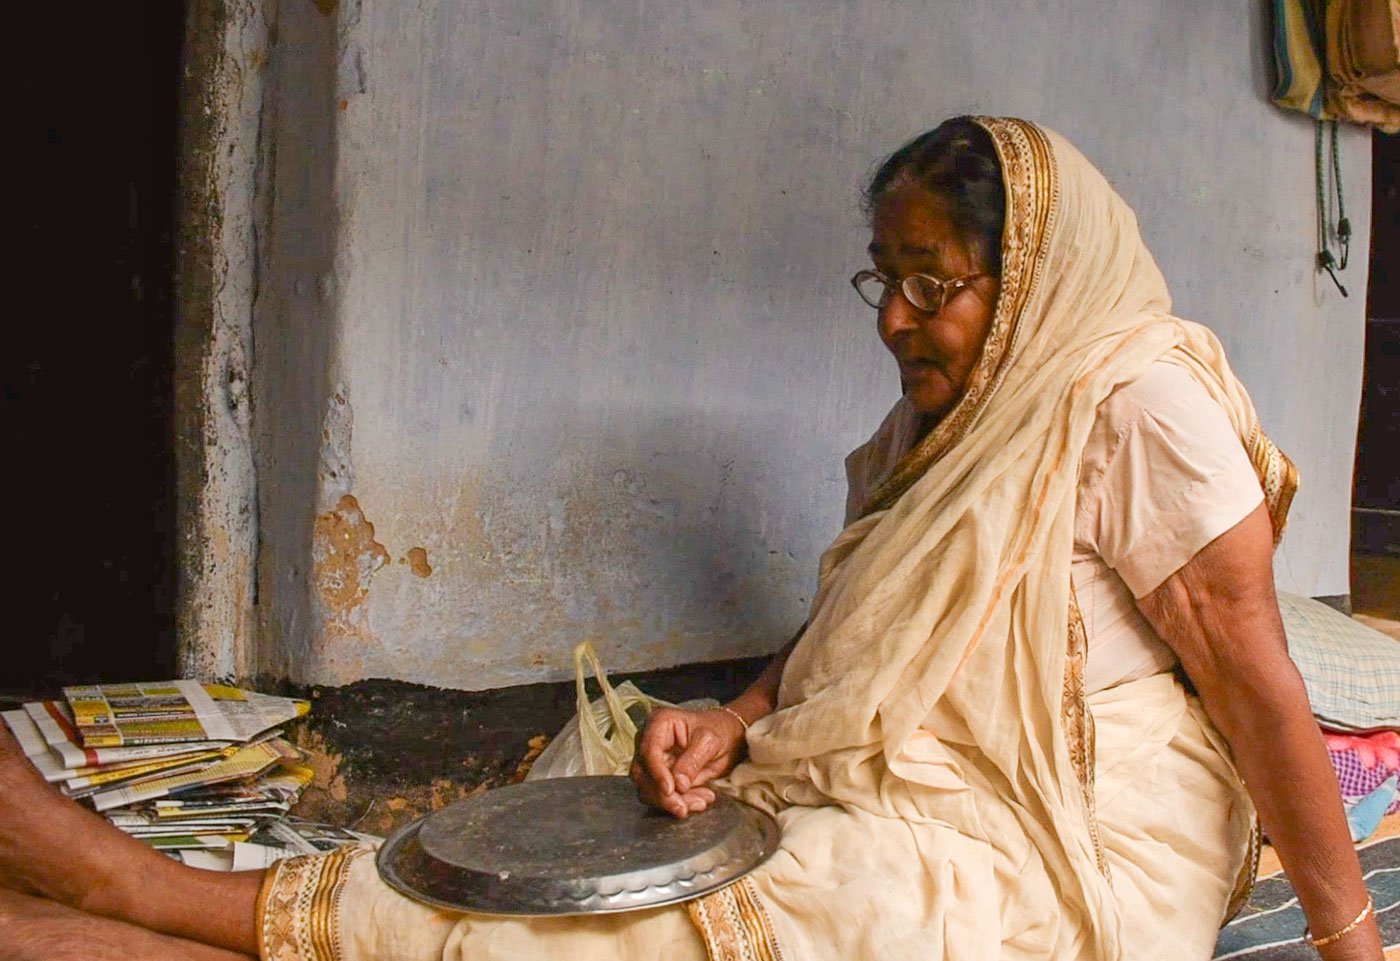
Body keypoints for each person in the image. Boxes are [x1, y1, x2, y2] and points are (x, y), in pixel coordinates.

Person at [0, 116, 1381, 961]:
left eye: (930, 284)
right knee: (621, 827)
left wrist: (1351, 944)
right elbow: (863, 630)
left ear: (1030, 284)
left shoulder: (1137, 392)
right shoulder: (945, 423)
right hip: (898, 781)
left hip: (1082, 835)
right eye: (881, 279)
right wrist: (738, 711)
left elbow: (1255, 675)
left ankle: (141, 898)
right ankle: (178, 912)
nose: (892, 319)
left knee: (813, 920)